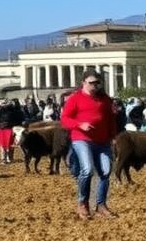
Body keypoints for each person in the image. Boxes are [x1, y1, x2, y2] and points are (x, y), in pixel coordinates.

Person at [60, 70, 117, 220]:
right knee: (87, 169)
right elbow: (65, 119)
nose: (95, 85)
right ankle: (83, 203)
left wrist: (113, 136)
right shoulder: (75, 98)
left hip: (103, 141)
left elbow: (110, 119)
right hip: (81, 138)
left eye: (97, 83)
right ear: (83, 83)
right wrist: (80, 124)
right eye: (92, 83)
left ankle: (101, 205)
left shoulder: (105, 99)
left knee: (105, 171)